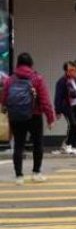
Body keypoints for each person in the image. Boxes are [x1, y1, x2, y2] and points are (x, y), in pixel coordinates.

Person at [1, 53, 55, 184]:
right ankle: (36, 173)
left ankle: (19, 176)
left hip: (16, 117)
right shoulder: (37, 78)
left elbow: (4, 98)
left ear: (18, 64)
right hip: (34, 115)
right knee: (37, 144)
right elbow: (45, 100)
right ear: (31, 64)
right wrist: (50, 118)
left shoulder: (10, 80)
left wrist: (6, 110)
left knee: (18, 145)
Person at [54, 61, 76, 156]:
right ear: (66, 71)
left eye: (74, 69)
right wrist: (57, 111)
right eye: (70, 70)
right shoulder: (62, 81)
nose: (73, 72)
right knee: (72, 124)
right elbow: (58, 97)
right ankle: (66, 145)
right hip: (67, 107)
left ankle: (73, 146)